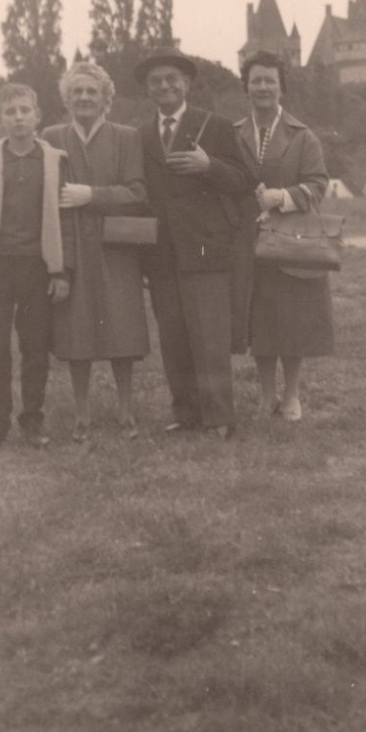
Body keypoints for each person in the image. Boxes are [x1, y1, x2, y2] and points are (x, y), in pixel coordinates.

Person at [0, 62, 150, 443]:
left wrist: (93, 195)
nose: (84, 98)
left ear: (105, 98)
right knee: (76, 328)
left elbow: (137, 193)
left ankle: (126, 410)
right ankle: (81, 414)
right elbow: (9, 147)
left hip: (114, 246)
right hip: (66, 250)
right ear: (66, 99)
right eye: (77, 92)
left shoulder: (126, 137)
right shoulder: (51, 137)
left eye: (92, 91)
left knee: (122, 325)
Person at [134, 46, 253, 439]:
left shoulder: (214, 126)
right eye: (155, 82)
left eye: (172, 79)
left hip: (205, 247)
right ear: (148, 91)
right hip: (161, 252)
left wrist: (209, 166)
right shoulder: (142, 134)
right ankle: (186, 414)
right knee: (174, 336)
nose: (164, 86)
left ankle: (220, 417)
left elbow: (245, 180)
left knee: (210, 336)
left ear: (186, 84)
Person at [0, 83, 74, 451]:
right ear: (0, 118)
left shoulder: (55, 160)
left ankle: (33, 420)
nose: (19, 117)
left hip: (38, 270)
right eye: (11, 112)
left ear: (37, 116)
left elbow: (67, 220)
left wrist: (61, 271)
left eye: (25, 110)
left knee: (35, 347)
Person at [232, 51, 333, 422]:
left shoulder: (302, 136)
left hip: (292, 241)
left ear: (281, 88)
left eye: (269, 81)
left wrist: (284, 197)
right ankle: (265, 394)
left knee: (292, 317)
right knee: (259, 318)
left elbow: (318, 185)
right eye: (255, 80)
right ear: (246, 87)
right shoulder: (233, 133)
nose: (262, 87)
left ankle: (291, 395)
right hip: (249, 241)